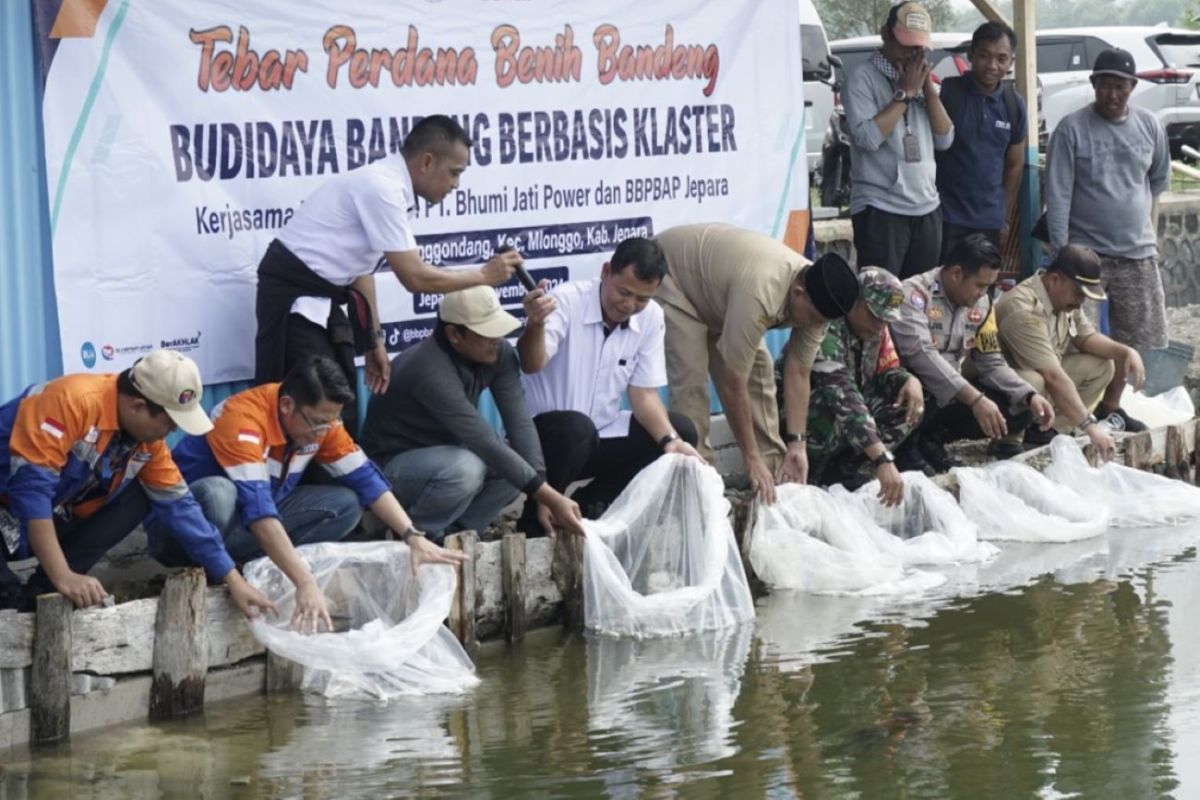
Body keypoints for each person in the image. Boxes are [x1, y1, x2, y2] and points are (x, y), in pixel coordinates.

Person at [151, 356, 465, 633]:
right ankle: (218, 573)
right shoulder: (243, 420)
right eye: (317, 423)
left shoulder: (322, 423)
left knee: (345, 505)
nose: (323, 431)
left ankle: (253, 568)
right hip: (182, 534)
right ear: (287, 405)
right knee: (219, 493)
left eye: (330, 422)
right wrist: (305, 582)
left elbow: (365, 478)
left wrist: (412, 536)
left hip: (245, 526)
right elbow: (259, 512)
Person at [254, 114, 523, 433]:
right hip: (295, 302)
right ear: (426, 161)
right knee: (311, 405)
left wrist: (373, 341)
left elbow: (361, 270)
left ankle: (342, 479)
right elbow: (415, 279)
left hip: (325, 301)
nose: (456, 185)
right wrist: (483, 276)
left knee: (341, 404)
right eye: (454, 173)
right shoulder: (382, 188)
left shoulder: (392, 189)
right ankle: (304, 482)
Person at [0, 350, 275, 616]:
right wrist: (63, 576)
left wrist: (232, 579)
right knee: (6, 599)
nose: (174, 431)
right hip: (10, 510)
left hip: (40, 521)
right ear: (137, 407)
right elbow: (31, 492)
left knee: (142, 496)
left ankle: (42, 591)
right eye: (170, 422)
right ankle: (18, 588)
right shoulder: (71, 400)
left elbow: (181, 506)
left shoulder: (147, 443)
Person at [653, 223, 860, 504]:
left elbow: (799, 371)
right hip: (675, 279)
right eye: (812, 318)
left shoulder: (819, 302)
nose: (814, 326)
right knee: (691, 383)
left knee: (760, 372)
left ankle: (776, 477)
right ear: (798, 293)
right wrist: (749, 457)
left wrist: (797, 445)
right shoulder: (761, 292)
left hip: (719, 292)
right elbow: (731, 383)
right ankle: (699, 489)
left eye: (820, 322)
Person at [360, 286, 585, 540]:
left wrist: (544, 492)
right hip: (389, 468)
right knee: (466, 469)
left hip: (445, 458)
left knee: (515, 467)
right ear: (454, 334)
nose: (496, 341)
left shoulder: (499, 354)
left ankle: (458, 537)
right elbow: (483, 441)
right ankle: (415, 535)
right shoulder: (428, 369)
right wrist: (549, 496)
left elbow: (520, 423)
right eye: (487, 334)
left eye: (498, 331)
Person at [516, 237, 702, 520]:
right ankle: (537, 515)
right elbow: (531, 363)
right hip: (547, 441)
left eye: (642, 298)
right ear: (605, 272)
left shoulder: (652, 317)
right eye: (624, 292)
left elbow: (644, 394)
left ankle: (590, 506)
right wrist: (535, 325)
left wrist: (670, 441)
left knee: (681, 431)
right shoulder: (566, 301)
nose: (630, 305)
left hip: (598, 436)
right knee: (577, 429)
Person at [1045, 47, 1171, 431]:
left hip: (1136, 252)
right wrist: (1061, 256)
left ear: (1132, 87)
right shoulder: (1072, 128)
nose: (1112, 94)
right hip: (1086, 256)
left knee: (1135, 337)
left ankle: (1111, 407)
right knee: (1078, 337)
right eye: (1105, 85)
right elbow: (1058, 193)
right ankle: (1070, 412)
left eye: (1120, 86)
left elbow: (1158, 180)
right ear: (1093, 84)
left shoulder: (1150, 126)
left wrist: (1148, 234)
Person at [891, 234, 1055, 468]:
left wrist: (1028, 395)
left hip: (949, 392)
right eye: (980, 285)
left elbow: (991, 361)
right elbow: (920, 355)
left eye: (989, 286)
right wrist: (976, 399)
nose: (983, 293)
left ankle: (931, 440)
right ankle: (905, 448)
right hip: (909, 389)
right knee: (923, 383)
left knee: (1018, 409)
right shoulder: (913, 295)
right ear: (956, 273)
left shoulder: (983, 304)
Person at [994, 245, 1146, 463]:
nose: (1080, 301)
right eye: (1078, 293)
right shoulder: (1023, 308)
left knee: (1102, 365)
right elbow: (1053, 376)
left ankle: (1047, 431)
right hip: (1002, 387)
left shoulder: (1064, 300)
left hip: (1043, 380)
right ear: (1055, 279)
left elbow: (1086, 338)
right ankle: (1008, 440)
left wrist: (1126, 352)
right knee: (1033, 381)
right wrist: (1091, 426)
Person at [844, 1, 954, 278]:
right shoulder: (862, 79)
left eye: (919, 47)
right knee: (881, 299)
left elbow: (945, 140)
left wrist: (927, 91)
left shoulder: (922, 81)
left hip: (927, 206)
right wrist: (904, 94)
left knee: (918, 300)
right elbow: (867, 138)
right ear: (885, 35)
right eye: (906, 44)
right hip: (881, 207)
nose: (912, 53)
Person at [805, 268, 924, 506]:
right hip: (809, 417)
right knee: (832, 406)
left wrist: (909, 380)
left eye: (886, 319)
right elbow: (842, 394)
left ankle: (843, 469)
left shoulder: (876, 330)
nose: (881, 325)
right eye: (875, 316)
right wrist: (883, 459)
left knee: (907, 403)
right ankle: (812, 474)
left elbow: (886, 371)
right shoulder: (827, 328)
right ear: (854, 301)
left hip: (851, 408)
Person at [934, 21, 1027, 260]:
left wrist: (1003, 218)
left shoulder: (1013, 104)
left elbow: (1015, 164)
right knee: (942, 288)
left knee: (981, 291)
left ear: (1011, 63)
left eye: (1001, 58)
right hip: (946, 217)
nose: (992, 66)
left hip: (990, 222)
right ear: (971, 54)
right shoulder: (948, 93)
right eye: (984, 56)